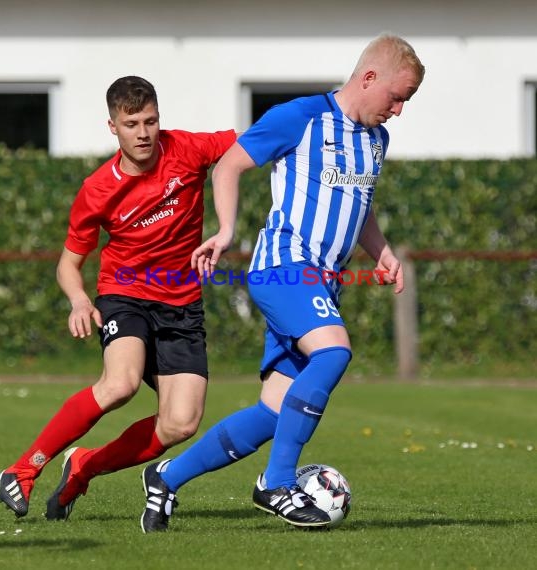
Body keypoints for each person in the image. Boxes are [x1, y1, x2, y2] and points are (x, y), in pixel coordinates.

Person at [139, 34, 425, 532]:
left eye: (407, 102)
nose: (399, 110)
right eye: (396, 97)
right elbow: (229, 165)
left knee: (275, 413)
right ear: (369, 77)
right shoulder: (301, 116)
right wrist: (226, 232)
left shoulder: (377, 140)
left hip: (322, 283)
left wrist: (383, 253)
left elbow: (360, 205)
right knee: (334, 352)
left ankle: (167, 477)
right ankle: (277, 482)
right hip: (284, 269)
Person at [0, 76, 237, 521]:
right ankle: (23, 470)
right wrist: (79, 300)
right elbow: (68, 264)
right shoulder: (98, 189)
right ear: (113, 127)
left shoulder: (189, 148)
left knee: (180, 423)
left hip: (182, 303)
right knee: (120, 383)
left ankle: (85, 466)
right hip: (124, 294)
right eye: (131, 123)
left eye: (150, 121)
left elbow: (254, 143)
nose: (143, 133)